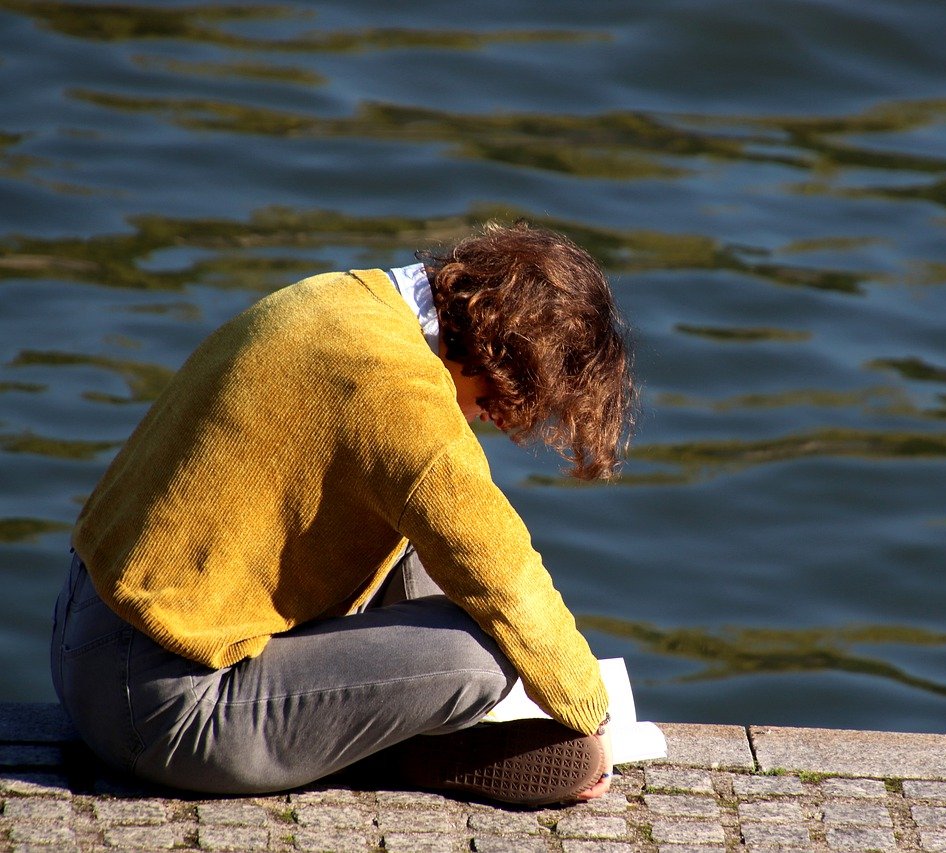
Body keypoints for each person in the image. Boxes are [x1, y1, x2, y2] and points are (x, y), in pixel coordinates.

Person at [49, 222, 637, 805]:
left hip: (86, 632)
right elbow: (502, 570)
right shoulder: (398, 390)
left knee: (417, 531)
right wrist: (596, 715)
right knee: (484, 658)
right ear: (500, 356)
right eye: (505, 401)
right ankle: (388, 745)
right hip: (164, 711)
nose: (495, 419)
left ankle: (395, 724)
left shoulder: (342, 298)